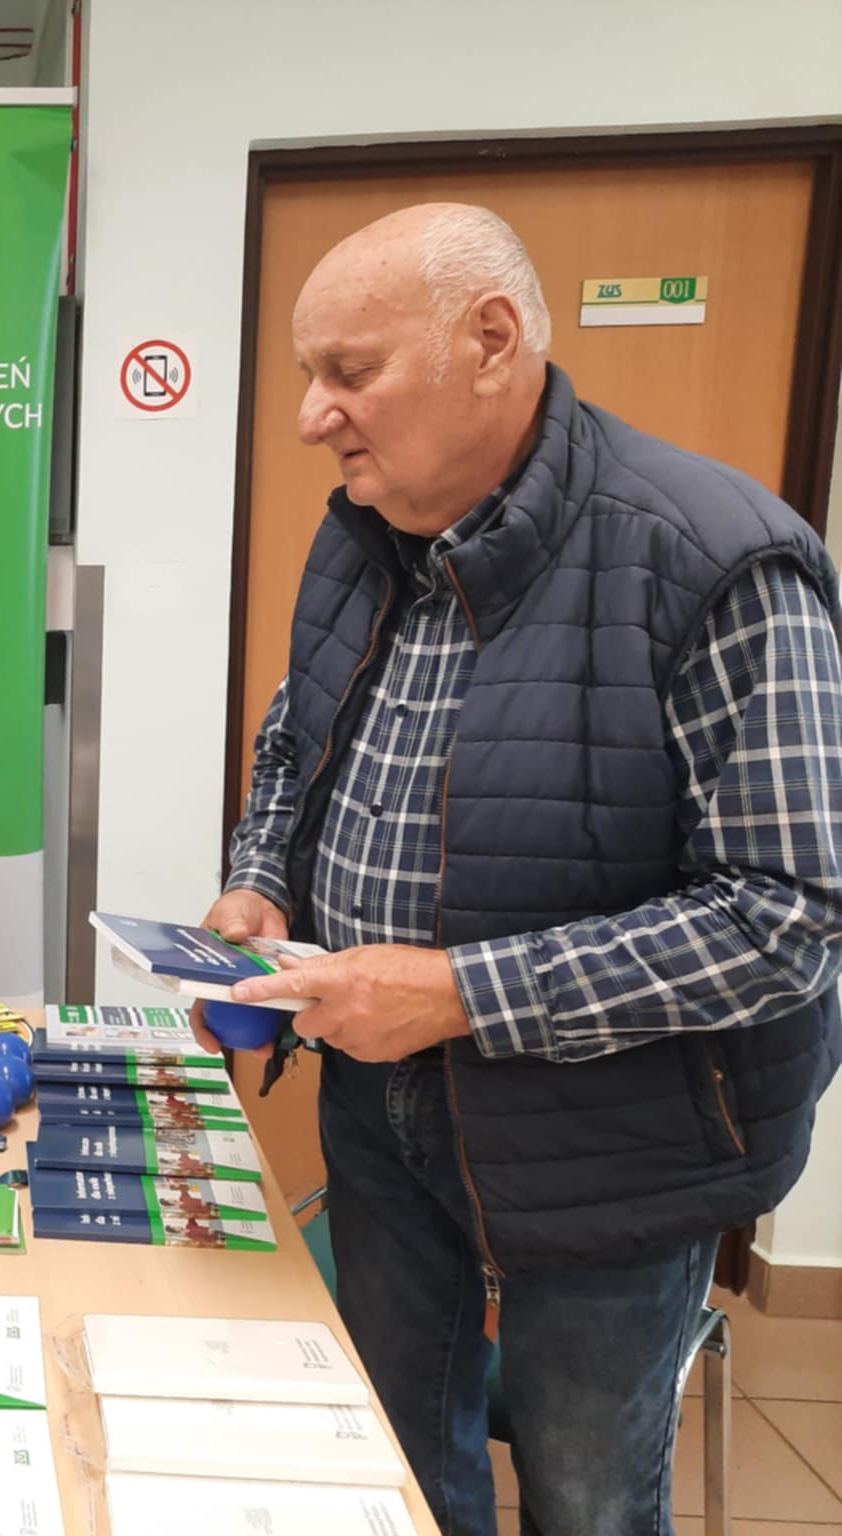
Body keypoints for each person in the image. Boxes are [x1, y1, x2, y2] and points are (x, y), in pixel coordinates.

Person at [200, 203, 842, 1536]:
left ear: (490, 340)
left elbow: (785, 921)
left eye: (348, 371)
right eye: (309, 376)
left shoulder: (717, 560)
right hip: (377, 1105)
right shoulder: (361, 536)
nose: (312, 416)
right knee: (393, 1461)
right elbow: (293, 740)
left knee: (585, 1498)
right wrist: (262, 883)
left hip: (611, 1150)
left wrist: (458, 994)